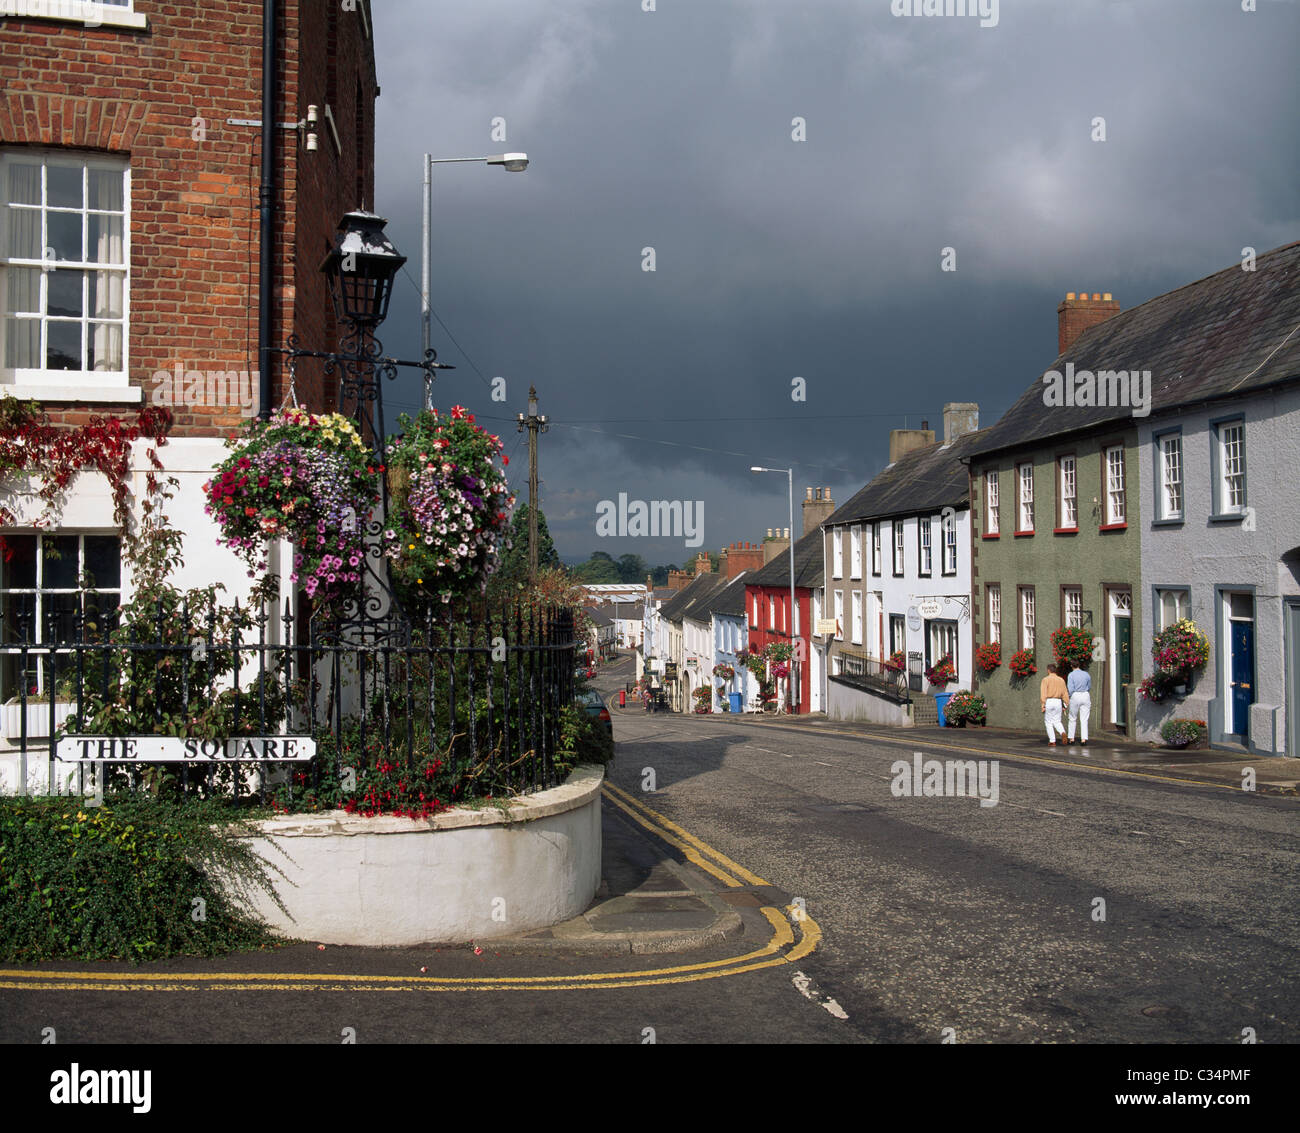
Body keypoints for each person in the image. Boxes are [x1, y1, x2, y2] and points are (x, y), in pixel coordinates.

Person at [1040, 662, 1068, 745]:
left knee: (1048, 722)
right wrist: (1065, 704)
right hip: (1058, 701)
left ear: (1048, 670)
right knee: (1057, 721)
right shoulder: (1061, 680)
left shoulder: (1045, 679)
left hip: (1049, 701)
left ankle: (1052, 741)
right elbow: (1065, 693)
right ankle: (1062, 732)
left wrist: (1043, 704)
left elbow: (1043, 693)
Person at [1067, 659, 1091, 745]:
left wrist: (1070, 697)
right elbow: (1089, 686)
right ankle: (1083, 739)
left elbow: (1070, 689)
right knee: (1084, 719)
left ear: (1071, 665)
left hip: (1075, 695)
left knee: (1072, 717)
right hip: (1085, 695)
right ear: (1079, 665)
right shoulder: (1086, 674)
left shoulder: (1071, 675)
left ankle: (1071, 738)